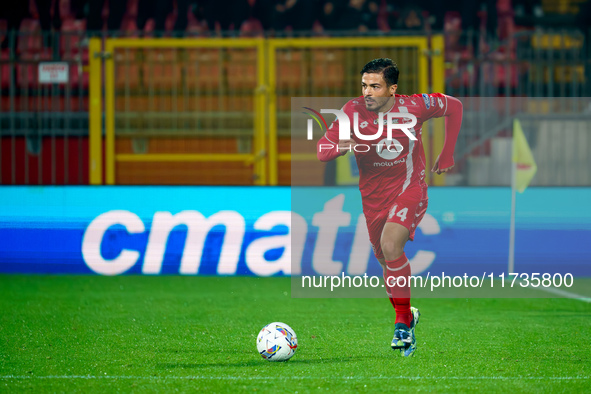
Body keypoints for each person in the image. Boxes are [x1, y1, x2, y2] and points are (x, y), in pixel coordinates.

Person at [316, 58, 463, 356]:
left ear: (392, 89)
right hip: (373, 200)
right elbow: (321, 150)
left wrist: (447, 153)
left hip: (411, 190)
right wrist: (340, 147)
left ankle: (401, 326)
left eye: (375, 86)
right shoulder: (351, 111)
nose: (367, 92)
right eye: (364, 86)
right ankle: (407, 315)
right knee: (385, 260)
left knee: (391, 245)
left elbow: (455, 105)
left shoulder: (415, 107)